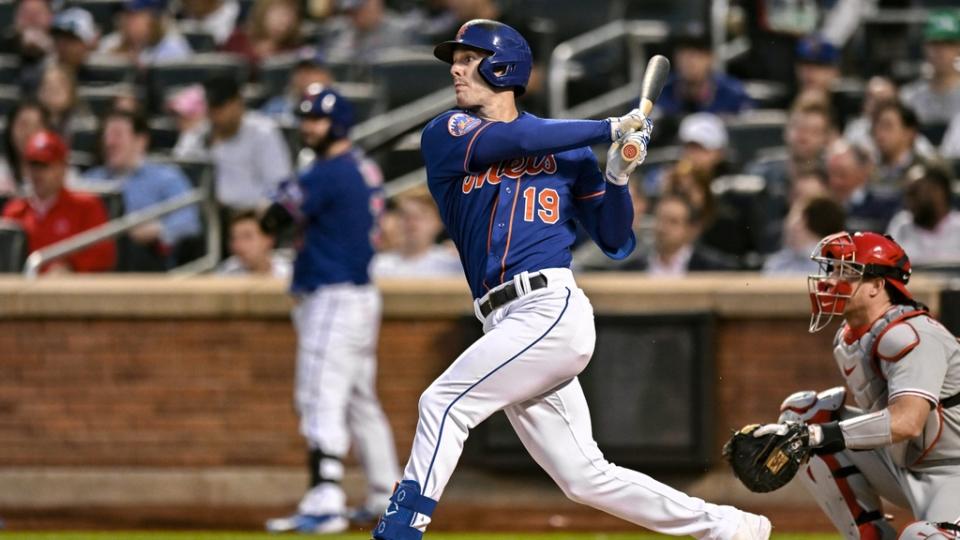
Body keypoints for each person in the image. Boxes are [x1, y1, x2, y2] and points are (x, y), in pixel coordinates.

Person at [371, 19, 771, 540]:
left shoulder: (569, 152)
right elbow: (516, 137)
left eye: (470, 59)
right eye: (458, 59)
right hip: (503, 320)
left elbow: (616, 239)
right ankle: (730, 528)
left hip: (548, 307)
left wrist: (617, 177)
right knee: (584, 477)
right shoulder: (448, 132)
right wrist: (610, 127)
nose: (456, 68)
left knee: (443, 402)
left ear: (504, 66)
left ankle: (402, 528)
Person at [753, 230, 960, 540]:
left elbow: (907, 422)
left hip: (953, 470)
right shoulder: (852, 338)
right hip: (909, 464)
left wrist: (817, 435)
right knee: (803, 415)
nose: (832, 281)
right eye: (833, 270)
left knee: (921, 538)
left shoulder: (913, 335)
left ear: (878, 285)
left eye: (847, 272)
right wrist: (810, 433)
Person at [260, 86, 400, 534]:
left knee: (320, 395)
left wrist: (287, 195)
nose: (308, 127)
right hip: (359, 295)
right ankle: (385, 493)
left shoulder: (329, 173)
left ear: (337, 124)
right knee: (360, 400)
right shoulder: (356, 167)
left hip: (333, 296)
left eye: (317, 120)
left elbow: (272, 219)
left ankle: (326, 498)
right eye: (306, 119)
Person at [82, 109, 202, 270]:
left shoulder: (165, 177)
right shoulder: (90, 181)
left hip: (147, 265)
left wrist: (158, 230)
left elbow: (190, 221)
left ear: (140, 141)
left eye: (117, 135)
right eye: (106, 135)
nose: (109, 142)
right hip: (97, 263)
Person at [2, 130, 115, 273]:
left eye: (44, 165)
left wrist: (71, 267)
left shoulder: (86, 206)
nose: (37, 173)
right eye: (33, 164)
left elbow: (104, 254)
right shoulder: (15, 211)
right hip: (23, 291)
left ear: (62, 168)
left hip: (74, 291)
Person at [175, 74, 293, 211]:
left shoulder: (263, 133)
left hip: (251, 214)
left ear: (238, 103)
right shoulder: (196, 136)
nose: (216, 114)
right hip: (206, 215)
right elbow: (178, 175)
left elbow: (281, 186)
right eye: (212, 107)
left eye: (221, 107)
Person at [657, 31, 753, 119]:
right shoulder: (659, 93)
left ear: (710, 58)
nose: (690, 60)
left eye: (698, 54)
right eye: (684, 52)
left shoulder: (732, 95)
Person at [370, 187, 462, 278]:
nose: (411, 223)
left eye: (420, 216)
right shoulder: (376, 265)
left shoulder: (455, 263)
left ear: (438, 222)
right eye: (404, 215)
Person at [886, 164, 960, 267]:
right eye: (907, 194)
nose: (908, 202)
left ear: (938, 192)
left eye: (914, 193)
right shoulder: (901, 224)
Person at [824, 140, 900, 233]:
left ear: (862, 173)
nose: (834, 181)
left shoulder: (884, 204)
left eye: (842, 174)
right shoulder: (823, 203)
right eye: (830, 174)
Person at [900, 9, 960, 126]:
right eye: (935, 43)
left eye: (948, 43)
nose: (941, 51)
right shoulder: (908, 98)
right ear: (925, 47)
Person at [761, 196, 846, 275]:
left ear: (800, 222)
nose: (785, 223)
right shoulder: (777, 263)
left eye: (790, 215)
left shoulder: (835, 269)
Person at [98, 0, 193, 67]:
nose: (126, 20)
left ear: (155, 18)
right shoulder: (112, 42)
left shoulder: (174, 48)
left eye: (134, 15)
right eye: (125, 13)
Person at [260, 47, 334, 123]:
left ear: (327, 77)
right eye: (300, 71)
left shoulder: (337, 106)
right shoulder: (275, 107)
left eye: (312, 71)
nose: (305, 76)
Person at [217, 210, 291, 277]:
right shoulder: (225, 275)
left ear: (269, 239)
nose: (238, 245)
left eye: (247, 236)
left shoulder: (290, 273)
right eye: (234, 238)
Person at [0, 101, 50, 197]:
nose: (30, 132)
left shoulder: (65, 177)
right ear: (10, 129)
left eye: (37, 126)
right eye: (24, 125)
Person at [50, 7, 100, 75]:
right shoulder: (41, 74)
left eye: (70, 38)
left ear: (88, 43)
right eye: (58, 38)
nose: (62, 44)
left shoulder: (103, 73)